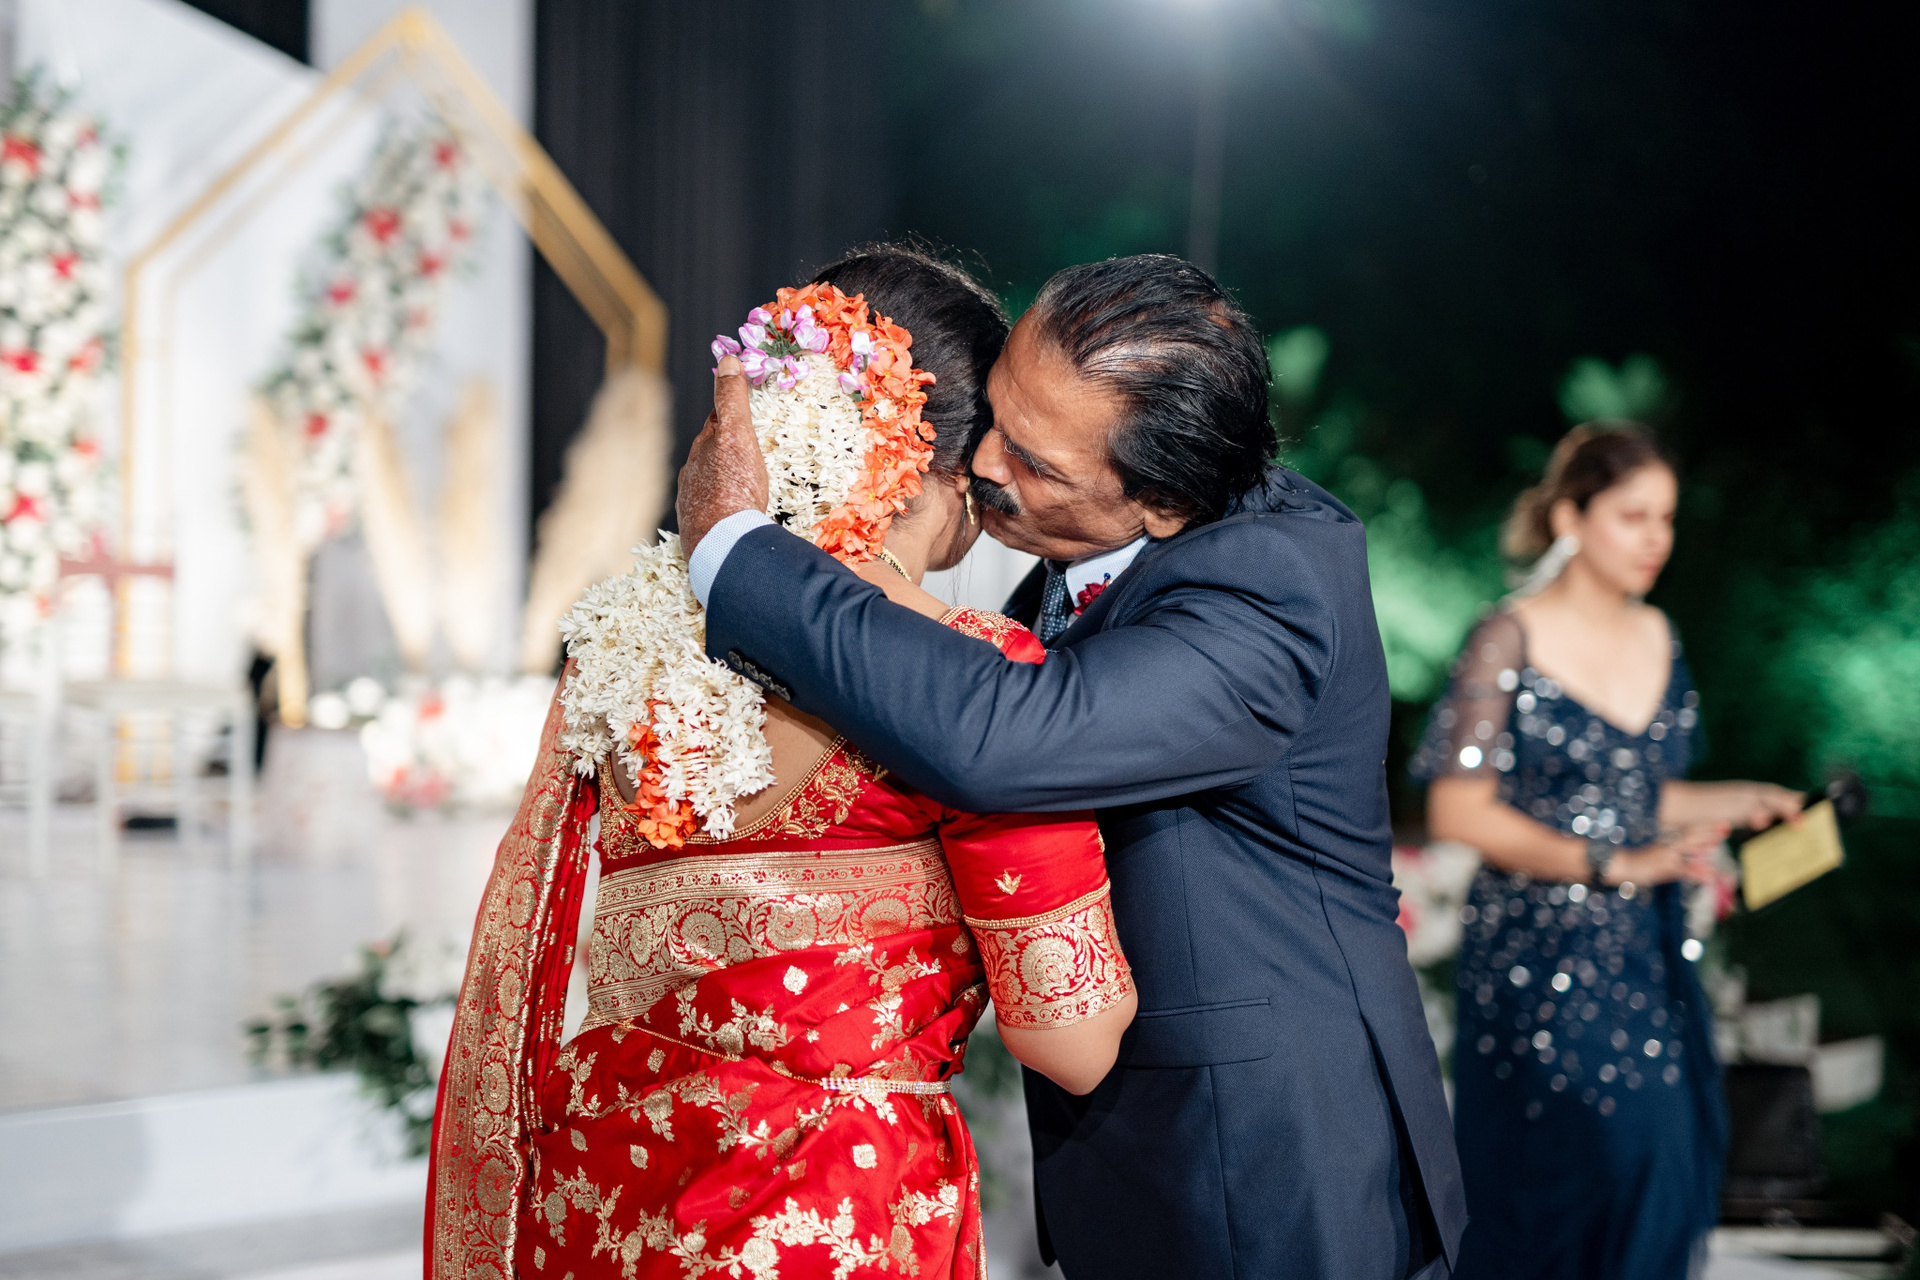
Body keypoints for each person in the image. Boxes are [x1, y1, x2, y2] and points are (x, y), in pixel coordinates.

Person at [676, 253, 1467, 1279]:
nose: (985, 463)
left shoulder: (1271, 586)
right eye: (996, 415)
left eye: (1036, 461)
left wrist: (734, 550)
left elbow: (1012, 736)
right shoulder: (1079, 559)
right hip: (1143, 1153)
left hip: (1271, 1166)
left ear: (1164, 502)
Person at [426, 246, 1136, 1280]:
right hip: (821, 1202)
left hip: (607, 1189)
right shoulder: (970, 680)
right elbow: (1072, 1037)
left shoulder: (627, 656)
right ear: (950, 456)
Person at [1415, 423, 1804, 1279]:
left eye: (1666, 518)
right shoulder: (1507, 636)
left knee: (1663, 1168)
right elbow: (1457, 808)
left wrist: (1744, 800)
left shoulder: (1660, 633)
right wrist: (1610, 864)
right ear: (1569, 518)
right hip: (1536, 961)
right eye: (1634, 517)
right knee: (1569, 1184)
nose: (1656, 539)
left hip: (1646, 955)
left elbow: (1636, 793)